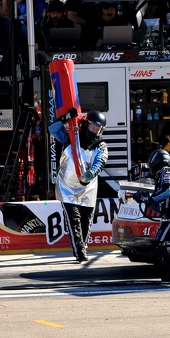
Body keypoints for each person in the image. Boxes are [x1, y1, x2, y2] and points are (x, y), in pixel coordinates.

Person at [48, 109, 109, 262]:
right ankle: (79, 251)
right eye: (93, 127)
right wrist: (66, 117)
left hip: (88, 187)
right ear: (86, 124)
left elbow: (100, 162)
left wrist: (90, 174)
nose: (94, 131)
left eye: (98, 128)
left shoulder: (101, 145)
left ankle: (84, 246)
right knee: (73, 219)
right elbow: (52, 129)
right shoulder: (71, 137)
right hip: (67, 186)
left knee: (86, 220)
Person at [130, 150, 170, 282]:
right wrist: (143, 199)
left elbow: (169, 190)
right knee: (158, 246)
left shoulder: (167, 172)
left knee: (161, 245)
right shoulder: (161, 175)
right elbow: (158, 205)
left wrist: (150, 199)